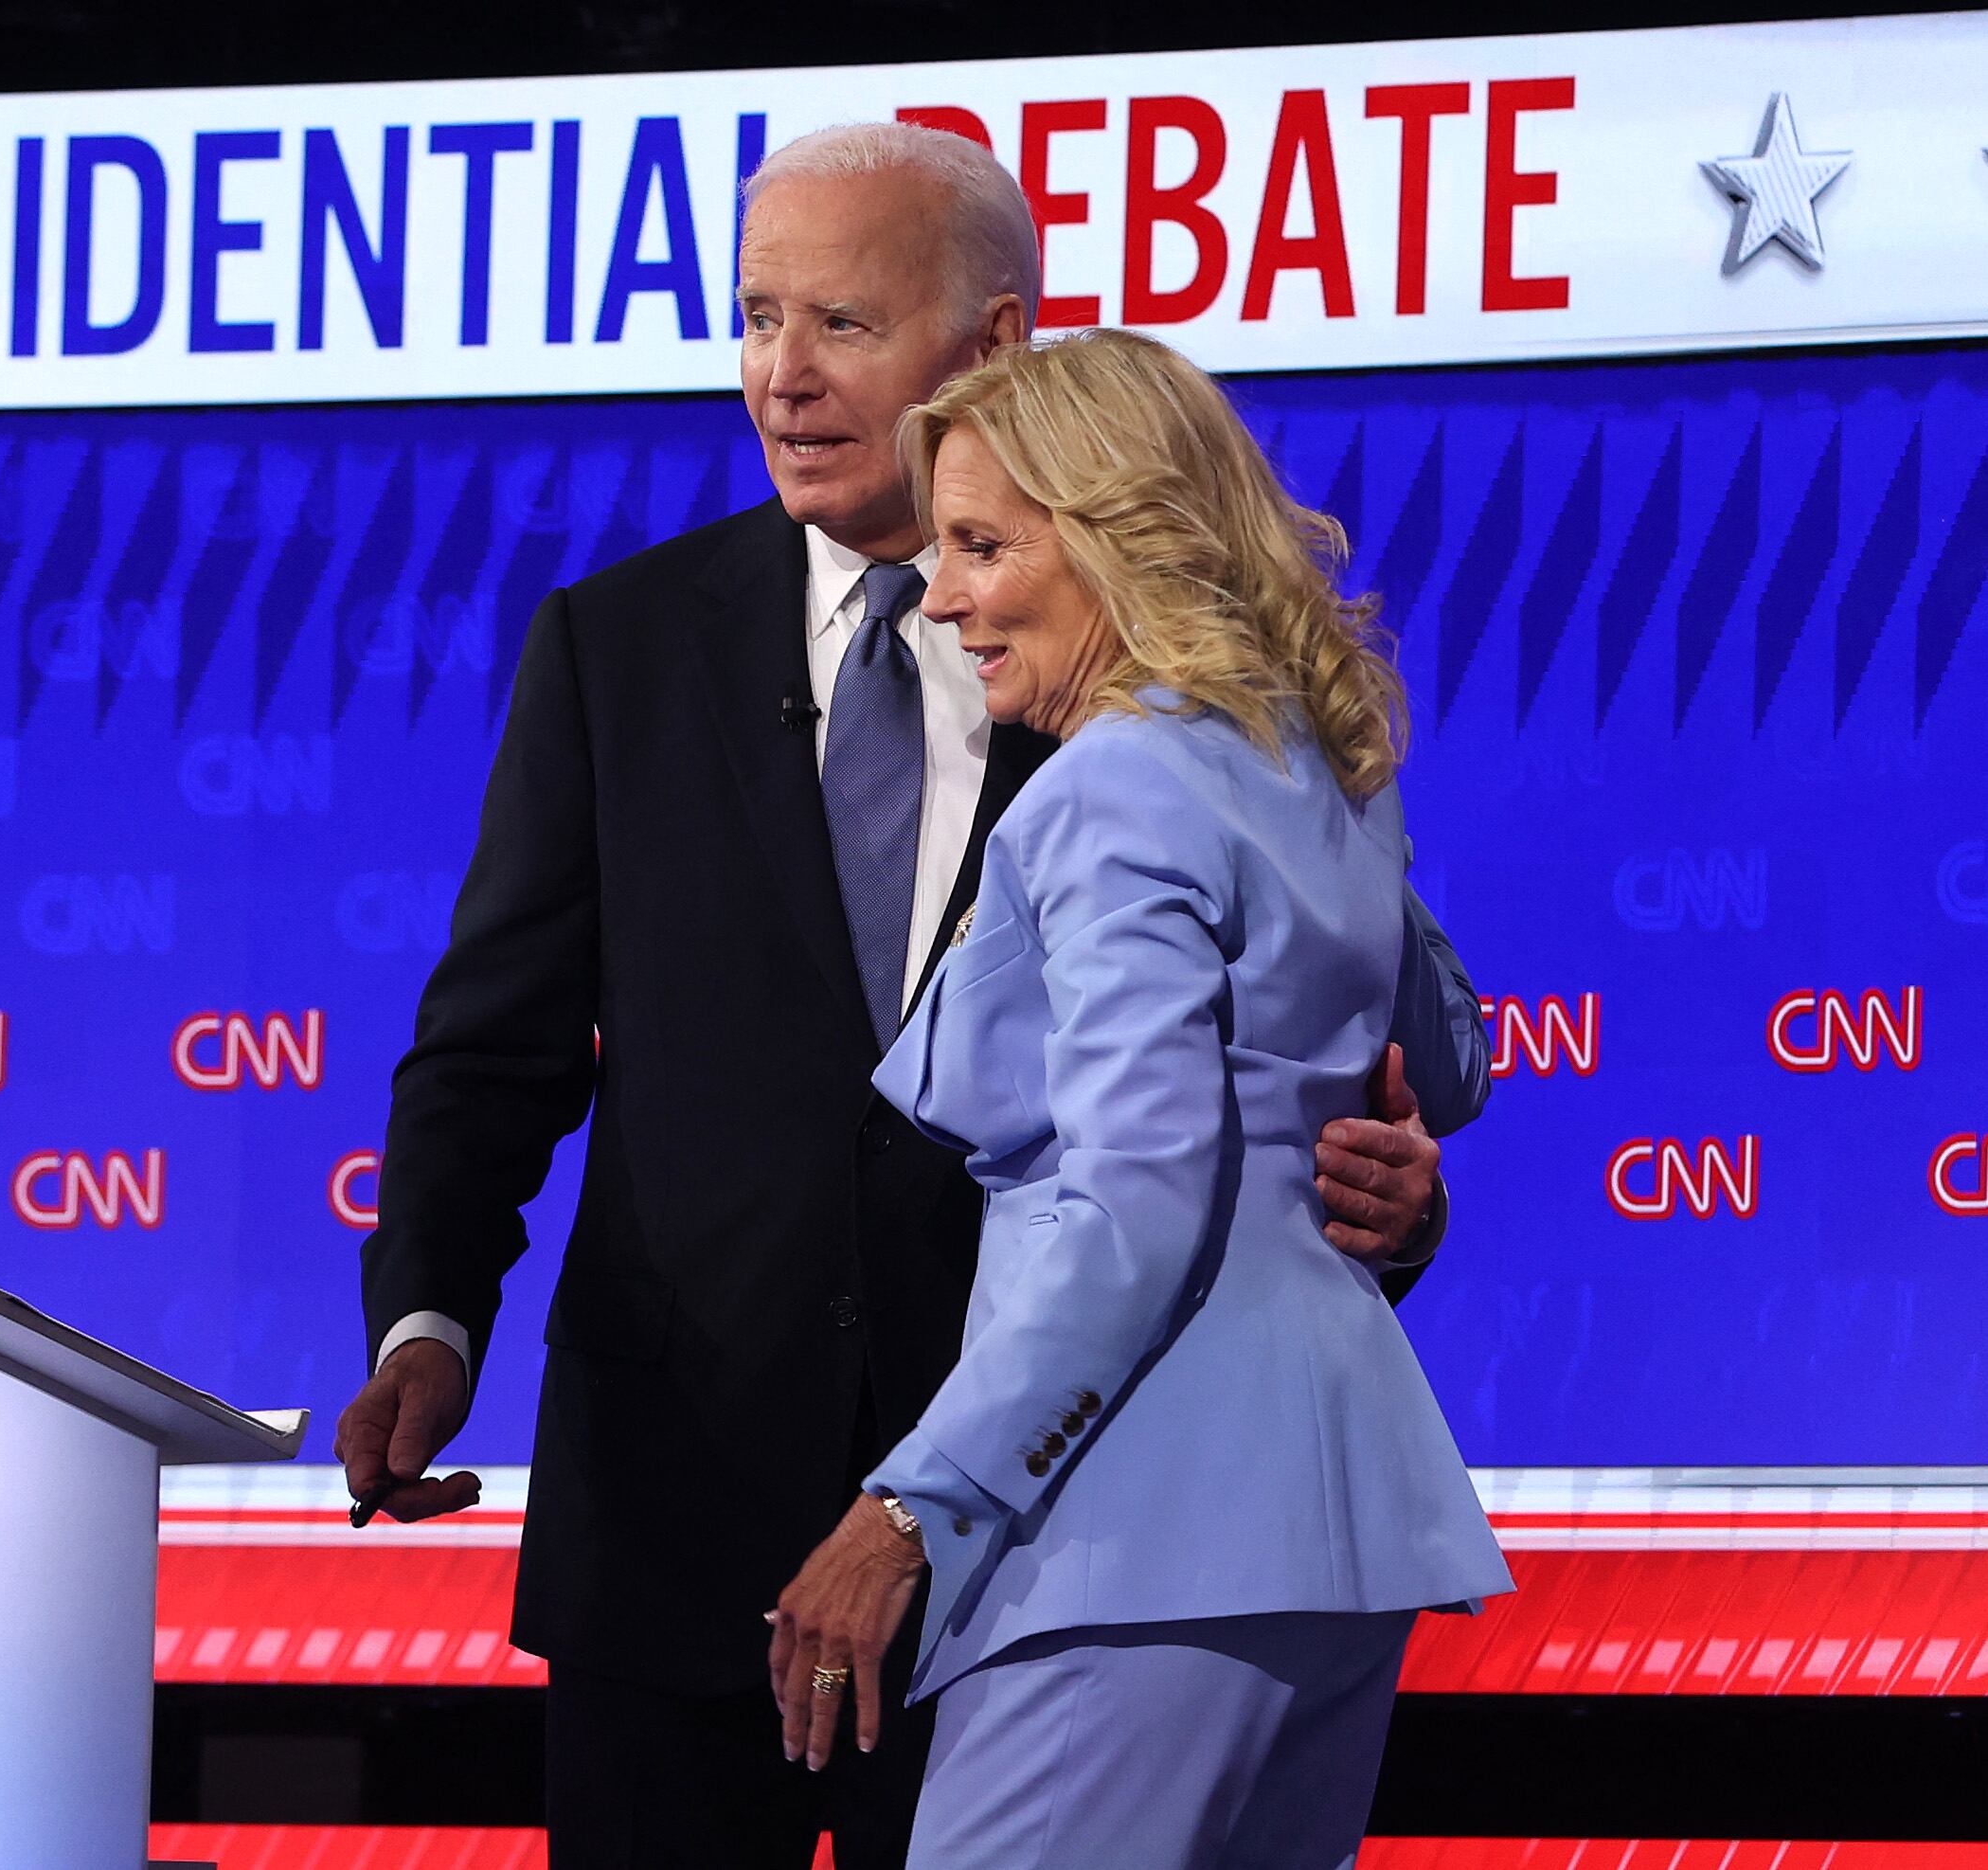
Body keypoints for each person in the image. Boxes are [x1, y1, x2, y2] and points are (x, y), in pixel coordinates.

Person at [335, 125, 1486, 1870]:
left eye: (844, 327)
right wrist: (428, 1318)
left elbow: (1289, 1093)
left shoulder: (1125, 715)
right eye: (754, 317)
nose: (780, 377)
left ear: (996, 346)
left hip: (1037, 1526)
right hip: (682, 1539)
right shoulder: (618, 645)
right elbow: (491, 1044)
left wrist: (1370, 1191)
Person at [765, 329, 1514, 1869]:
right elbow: (1447, 1059)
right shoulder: (1316, 760)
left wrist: (909, 1508)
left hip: (1136, 1531)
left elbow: (1135, 1205)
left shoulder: (1112, 785)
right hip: (1333, 1539)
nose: (944, 590)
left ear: (1119, 530)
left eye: (982, 543)